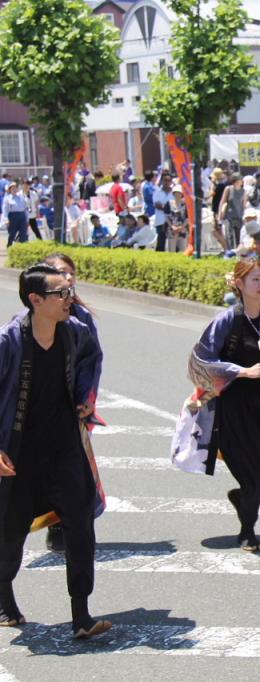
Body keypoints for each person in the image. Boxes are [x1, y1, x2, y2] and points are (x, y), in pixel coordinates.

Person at [0, 264, 110, 638]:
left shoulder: (75, 332)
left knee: (80, 526)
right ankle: (4, 597)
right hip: (19, 453)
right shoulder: (9, 341)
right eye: (61, 293)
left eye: (70, 291)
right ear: (35, 300)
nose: (69, 299)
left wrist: (85, 396)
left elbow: (92, 360)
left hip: (65, 447)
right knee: (10, 531)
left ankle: (81, 615)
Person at [187, 259, 260, 551]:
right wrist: (241, 371)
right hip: (234, 407)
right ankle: (247, 532)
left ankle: (242, 498)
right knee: (255, 473)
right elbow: (201, 360)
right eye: (254, 280)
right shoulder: (227, 320)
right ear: (239, 284)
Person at [42, 253, 103, 555]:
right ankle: (52, 521)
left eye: (70, 273)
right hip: (41, 405)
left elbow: (92, 361)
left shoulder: (82, 318)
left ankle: (67, 525)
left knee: (74, 469)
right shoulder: (33, 314)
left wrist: (86, 397)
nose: (66, 278)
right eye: (59, 272)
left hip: (74, 404)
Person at [219, 173, 246, 249]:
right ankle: (230, 251)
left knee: (239, 236)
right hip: (229, 216)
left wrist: (245, 217)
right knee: (229, 235)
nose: (242, 181)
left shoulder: (243, 191)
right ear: (236, 180)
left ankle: (237, 251)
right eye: (240, 179)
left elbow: (244, 205)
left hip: (239, 216)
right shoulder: (228, 189)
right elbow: (222, 202)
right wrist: (220, 216)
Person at [151, 173, 175, 252]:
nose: (167, 182)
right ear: (161, 181)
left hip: (172, 222)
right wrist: (169, 207)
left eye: (169, 180)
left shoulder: (174, 192)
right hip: (161, 220)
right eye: (165, 180)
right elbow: (157, 205)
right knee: (161, 243)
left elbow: (176, 206)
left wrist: (165, 206)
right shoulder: (157, 192)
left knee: (173, 243)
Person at [3, 180, 28, 246]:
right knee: (12, 234)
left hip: (22, 216)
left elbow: (25, 209)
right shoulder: (7, 198)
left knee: (23, 233)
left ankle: (23, 248)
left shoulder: (22, 197)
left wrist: (27, 219)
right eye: (12, 188)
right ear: (10, 189)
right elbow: (5, 210)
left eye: (15, 188)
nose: (14, 189)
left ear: (17, 189)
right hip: (12, 217)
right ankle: (9, 246)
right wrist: (6, 219)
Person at [166, 185, 189, 253]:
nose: (177, 195)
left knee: (183, 249)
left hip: (183, 229)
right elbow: (166, 217)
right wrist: (172, 227)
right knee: (171, 250)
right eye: (176, 193)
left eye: (179, 193)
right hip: (172, 229)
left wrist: (182, 227)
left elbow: (187, 218)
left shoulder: (185, 204)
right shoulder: (169, 203)